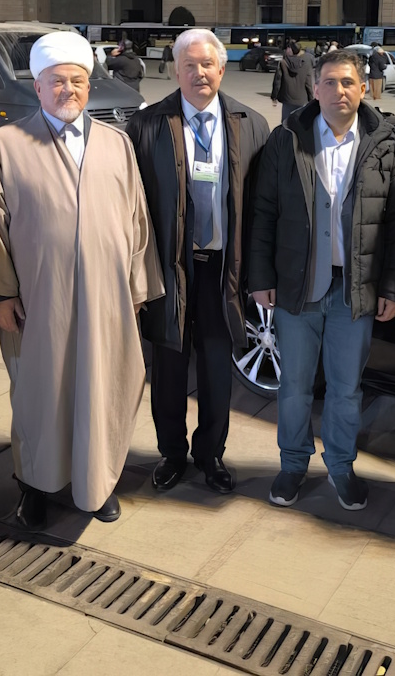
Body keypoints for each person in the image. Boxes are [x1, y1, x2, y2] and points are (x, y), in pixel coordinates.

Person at [0, 31, 163, 531]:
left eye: (77, 81)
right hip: (39, 299)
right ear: (37, 87)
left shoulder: (116, 143)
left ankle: (97, 483)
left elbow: (137, 219)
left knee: (103, 388)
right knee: (40, 394)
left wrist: (137, 290)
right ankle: (36, 486)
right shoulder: (7, 144)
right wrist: (1, 294)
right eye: (57, 81)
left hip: (107, 298)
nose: (68, 90)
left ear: (89, 85)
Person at [248, 50, 395, 511]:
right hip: (297, 286)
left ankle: (342, 466)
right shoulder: (287, 138)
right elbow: (264, 211)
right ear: (315, 88)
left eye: (347, 82)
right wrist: (260, 276)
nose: (338, 91)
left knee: (346, 390)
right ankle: (292, 464)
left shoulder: (384, 141)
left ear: (362, 89)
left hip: (355, 290)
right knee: (294, 387)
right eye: (329, 82)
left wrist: (393, 287)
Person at [126, 30, 270, 495]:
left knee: (216, 368)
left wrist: (258, 273)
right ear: (175, 70)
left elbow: (262, 207)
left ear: (222, 69)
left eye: (207, 64)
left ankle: (211, 455)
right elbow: (131, 206)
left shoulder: (251, 124)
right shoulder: (147, 125)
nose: (199, 73)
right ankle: (171, 454)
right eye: (188, 65)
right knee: (168, 368)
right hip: (169, 269)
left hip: (223, 270)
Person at [272, 41, 315, 121]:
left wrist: (274, 96)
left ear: (290, 50)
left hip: (287, 99)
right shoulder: (306, 63)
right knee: (299, 123)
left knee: (286, 122)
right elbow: (308, 83)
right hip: (302, 99)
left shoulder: (283, 63)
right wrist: (311, 98)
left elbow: (277, 82)